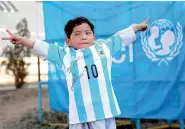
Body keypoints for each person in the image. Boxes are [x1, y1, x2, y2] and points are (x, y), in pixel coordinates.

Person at [2, 16, 148, 129]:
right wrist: (22, 40)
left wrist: (136, 27)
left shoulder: (104, 48)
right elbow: (43, 47)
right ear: (68, 41)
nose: (83, 36)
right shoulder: (64, 54)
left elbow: (120, 37)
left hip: (103, 111)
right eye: (77, 34)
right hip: (79, 114)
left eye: (87, 33)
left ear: (94, 37)